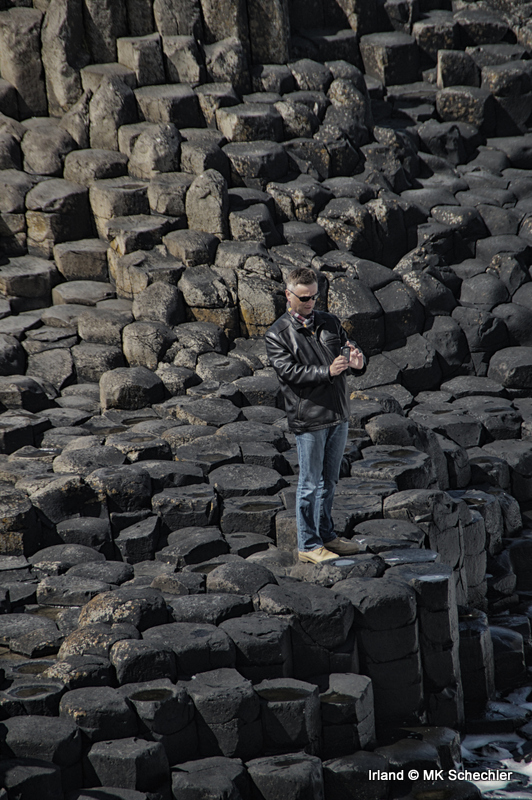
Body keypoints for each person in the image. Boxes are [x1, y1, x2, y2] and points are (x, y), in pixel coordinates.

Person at [265, 266, 366, 564]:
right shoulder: (277, 334)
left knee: (329, 482)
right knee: (309, 484)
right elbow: (290, 373)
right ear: (289, 295)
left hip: (338, 414)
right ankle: (308, 546)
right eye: (304, 297)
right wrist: (327, 371)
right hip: (309, 419)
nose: (310, 303)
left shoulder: (330, 322)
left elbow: (351, 350)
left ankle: (326, 535)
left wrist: (358, 362)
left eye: (313, 297)